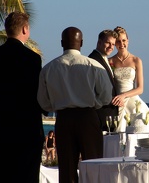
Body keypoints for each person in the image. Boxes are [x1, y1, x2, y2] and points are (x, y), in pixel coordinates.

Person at [37, 26, 113, 183]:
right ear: (82, 42)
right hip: (88, 118)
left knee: (66, 169)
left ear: (61, 43)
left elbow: (43, 102)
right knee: (94, 166)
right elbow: (106, 97)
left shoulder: (49, 69)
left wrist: (58, 106)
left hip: (64, 120)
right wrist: (94, 104)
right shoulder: (94, 66)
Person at [0, 11, 46, 183]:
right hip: (28, 126)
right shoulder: (32, 59)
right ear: (25, 29)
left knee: (4, 173)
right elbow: (37, 91)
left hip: (4, 125)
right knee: (28, 175)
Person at [109, 26, 149, 132]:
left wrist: (123, 95)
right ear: (115, 43)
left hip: (133, 101)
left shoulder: (136, 60)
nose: (121, 44)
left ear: (128, 41)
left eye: (124, 40)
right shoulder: (110, 61)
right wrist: (117, 98)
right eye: (118, 41)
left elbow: (140, 88)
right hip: (118, 102)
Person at [88, 29, 123, 131]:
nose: (111, 47)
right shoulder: (93, 60)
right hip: (101, 116)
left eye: (113, 44)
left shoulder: (105, 59)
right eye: (108, 43)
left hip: (110, 115)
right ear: (99, 42)